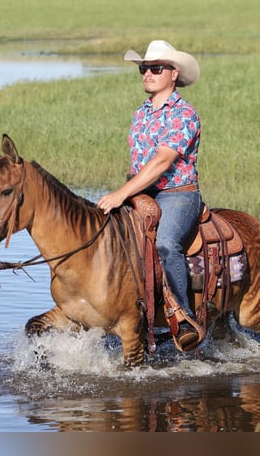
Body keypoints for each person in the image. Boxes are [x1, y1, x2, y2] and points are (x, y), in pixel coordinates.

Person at [97, 40, 203, 350]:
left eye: (156, 68)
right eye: (145, 68)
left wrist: (120, 194)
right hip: (140, 194)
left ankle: (183, 317)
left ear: (174, 73)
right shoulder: (140, 113)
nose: (148, 73)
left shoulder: (184, 114)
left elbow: (161, 162)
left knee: (167, 245)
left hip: (177, 194)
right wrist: (128, 193)